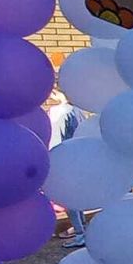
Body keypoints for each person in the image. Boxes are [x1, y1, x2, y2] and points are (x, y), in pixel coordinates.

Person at [47, 88, 88, 247]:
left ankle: (79, 233)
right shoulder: (78, 111)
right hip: (77, 157)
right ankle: (81, 227)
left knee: (66, 196)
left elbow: (55, 140)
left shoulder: (57, 112)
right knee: (76, 196)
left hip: (62, 158)